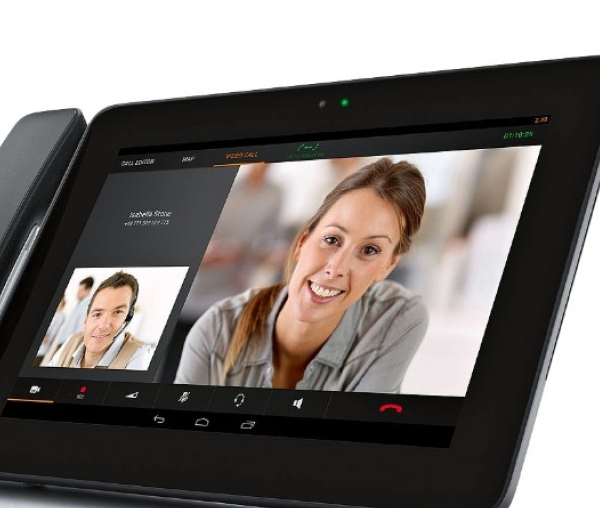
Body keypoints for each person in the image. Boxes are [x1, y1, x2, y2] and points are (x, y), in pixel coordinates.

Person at [175, 158, 428, 393]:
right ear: (301, 242)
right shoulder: (215, 330)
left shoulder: (398, 318)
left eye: (369, 250)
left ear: (388, 266)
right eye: (332, 239)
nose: (336, 268)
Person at [51, 271, 154, 370]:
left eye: (118, 312)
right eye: (97, 314)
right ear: (86, 319)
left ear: (126, 320)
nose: (103, 325)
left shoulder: (138, 353)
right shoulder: (72, 341)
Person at [42, 276, 94, 364]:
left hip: (69, 344)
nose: (77, 293)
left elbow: (80, 329)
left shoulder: (86, 307)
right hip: (63, 342)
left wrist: (71, 347)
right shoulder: (79, 304)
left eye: (80, 291)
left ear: (88, 290)